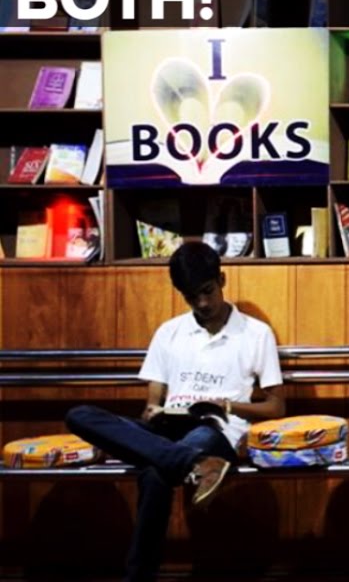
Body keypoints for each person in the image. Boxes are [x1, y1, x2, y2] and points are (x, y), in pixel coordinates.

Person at [64, 241, 285, 582]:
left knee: (156, 470)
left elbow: (276, 406)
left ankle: (138, 576)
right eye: (191, 297)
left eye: (207, 291)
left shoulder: (256, 334)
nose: (203, 303)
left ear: (222, 279)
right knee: (80, 415)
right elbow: (152, 403)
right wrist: (154, 411)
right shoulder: (169, 332)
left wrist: (225, 406)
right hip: (166, 431)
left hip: (215, 431)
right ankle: (196, 464)